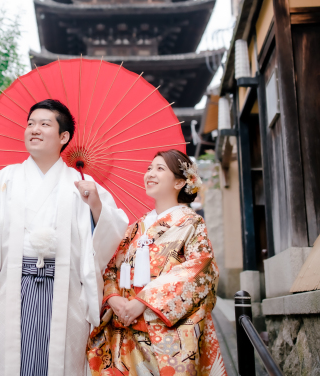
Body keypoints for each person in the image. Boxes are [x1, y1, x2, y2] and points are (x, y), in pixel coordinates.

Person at [0, 99, 129, 376]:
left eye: (44, 124)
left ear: (63, 137)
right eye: (30, 124)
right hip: (9, 288)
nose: (34, 129)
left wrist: (96, 206)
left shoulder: (83, 187)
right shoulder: (4, 180)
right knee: (9, 362)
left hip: (66, 293)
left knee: (60, 363)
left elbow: (114, 237)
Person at [87, 149, 226, 376]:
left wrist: (143, 301)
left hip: (167, 333)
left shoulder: (191, 222)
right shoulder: (136, 228)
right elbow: (111, 268)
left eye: (160, 169)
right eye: (149, 168)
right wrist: (113, 299)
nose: (150, 173)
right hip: (126, 328)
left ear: (180, 182)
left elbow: (200, 270)